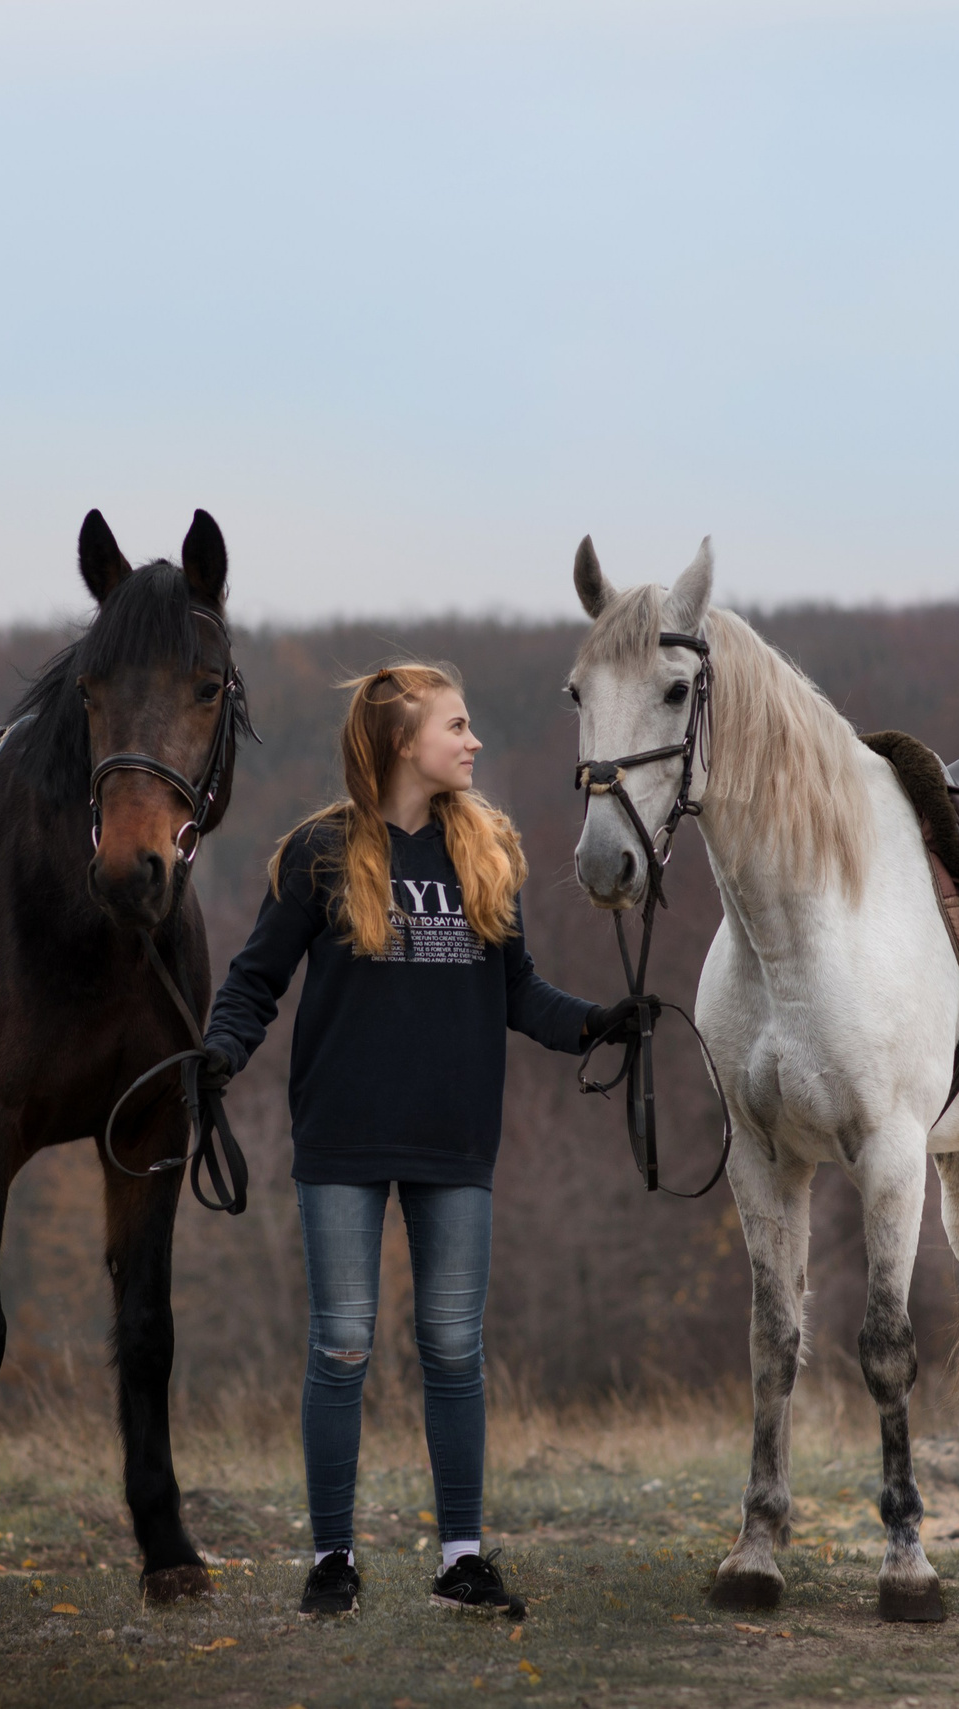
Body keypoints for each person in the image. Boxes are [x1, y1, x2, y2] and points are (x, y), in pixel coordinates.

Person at [200, 662, 651, 1620]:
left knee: (452, 1347)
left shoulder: (486, 849)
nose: (474, 740)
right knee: (344, 1345)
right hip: (342, 1139)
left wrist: (597, 1024)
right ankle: (332, 1559)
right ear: (405, 743)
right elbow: (253, 983)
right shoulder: (320, 853)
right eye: (457, 725)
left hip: (455, 1139)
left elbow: (519, 992)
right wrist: (219, 1053)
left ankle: (462, 1558)